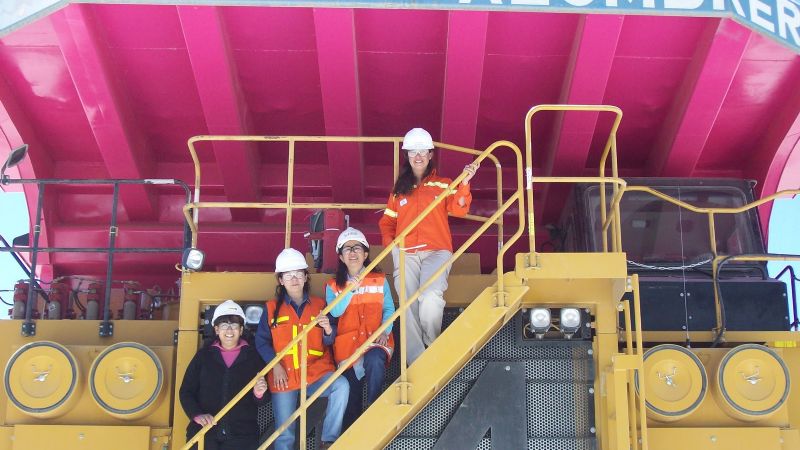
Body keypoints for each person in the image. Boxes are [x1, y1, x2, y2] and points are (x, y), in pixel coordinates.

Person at [378, 127, 477, 365]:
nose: (418, 156)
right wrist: (392, 246)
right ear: (408, 156)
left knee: (431, 295)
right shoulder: (399, 190)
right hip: (406, 254)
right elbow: (387, 221)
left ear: (431, 154)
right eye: (413, 152)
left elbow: (459, 208)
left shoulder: (443, 185)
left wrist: (465, 183)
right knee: (408, 305)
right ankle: (416, 360)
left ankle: (432, 345)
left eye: (423, 151)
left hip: (437, 251)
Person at [255, 248, 349, 450]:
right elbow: (261, 342)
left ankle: (328, 440)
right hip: (284, 376)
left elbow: (330, 340)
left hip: (315, 372)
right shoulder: (271, 308)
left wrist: (327, 330)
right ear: (281, 280)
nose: (294, 278)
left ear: (306, 277)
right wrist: (275, 366)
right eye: (288, 275)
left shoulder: (321, 305)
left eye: (298, 273)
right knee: (285, 433)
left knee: (341, 386)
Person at [325, 227, 395, 429]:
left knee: (374, 361)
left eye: (357, 248)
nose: (353, 252)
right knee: (351, 399)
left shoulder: (380, 280)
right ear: (340, 256)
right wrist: (350, 290)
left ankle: (375, 409)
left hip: (376, 340)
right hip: (348, 350)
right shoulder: (332, 286)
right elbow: (335, 312)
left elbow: (389, 308)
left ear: (365, 254)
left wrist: (385, 331)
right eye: (347, 249)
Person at [179, 300, 268, 450]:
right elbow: (186, 391)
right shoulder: (203, 357)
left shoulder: (254, 357)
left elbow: (265, 399)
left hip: (243, 436)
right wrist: (197, 415)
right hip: (204, 434)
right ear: (216, 329)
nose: (229, 330)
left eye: (234, 325)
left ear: (241, 330)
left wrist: (259, 393)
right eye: (224, 325)